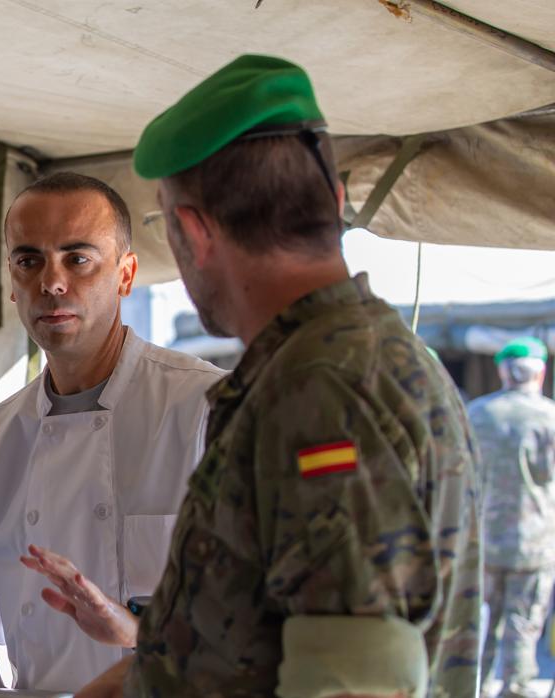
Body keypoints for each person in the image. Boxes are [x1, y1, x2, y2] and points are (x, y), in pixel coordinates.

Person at [77, 54, 481, 697]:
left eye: (164, 226)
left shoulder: (326, 391)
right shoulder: (337, 364)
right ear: (337, 198)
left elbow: (352, 684)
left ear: (192, 231)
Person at [0, 172, 225, 693]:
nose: (52, 282)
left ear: (126, 274)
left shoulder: (205, 409)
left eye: (78, 258)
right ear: (12, 282)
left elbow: (259, 622)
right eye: (29, 260)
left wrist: (133, 630)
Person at [469, 337, 555, 698]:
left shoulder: (474, 414)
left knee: (479, 624)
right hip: (534, 545)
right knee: (523, 623)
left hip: (482, 543)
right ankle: (516, 688)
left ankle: (477, 686)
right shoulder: (550, 417)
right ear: (541, 373)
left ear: (503, 371)